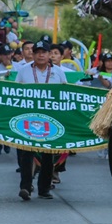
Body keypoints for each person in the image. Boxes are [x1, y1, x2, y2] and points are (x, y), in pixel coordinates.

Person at [14, 40, 68, 200]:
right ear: (33, 54)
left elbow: (66, 94)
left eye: (44, 52)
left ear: (49, 54)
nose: (41, 55)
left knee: (47, 155)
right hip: (28, 118)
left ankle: (44, 189)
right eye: (37, 52)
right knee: (26, 153)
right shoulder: (24, 71)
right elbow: (15, 93)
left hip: (50, 119)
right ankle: (25, 186)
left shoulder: (58, 72)